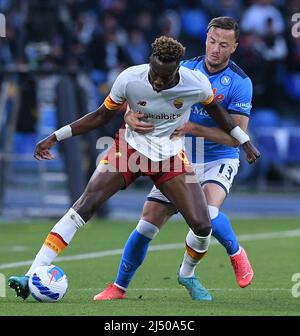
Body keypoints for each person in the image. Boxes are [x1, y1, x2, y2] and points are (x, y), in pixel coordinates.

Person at [8, 35, 259, 301]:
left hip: (170, 158)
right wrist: (55, 137)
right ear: (149, 62)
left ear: (178, 70)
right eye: (154, 75)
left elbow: (219, 114)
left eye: (164, 78)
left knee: (201, 224)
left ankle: (187, 274)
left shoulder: (195, 83)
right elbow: (99, 116)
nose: (158, 82)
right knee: (85, 204)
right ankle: (31, 273)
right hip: (129, 150)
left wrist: (245, 142)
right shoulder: (130, 78)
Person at [96, 17, 256, 301]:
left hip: (219, 158)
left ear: (234, 47)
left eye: (223, 44)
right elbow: (142, 95)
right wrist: (128, 115)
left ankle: (224, 257)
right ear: (205, 38)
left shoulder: (241, 83)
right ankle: (118, 287)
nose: (215, 49)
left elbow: (236, 137)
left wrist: (193, 127)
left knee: (207, 214)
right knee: (147, 223)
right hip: (178, 155)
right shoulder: (185, 69)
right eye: (211, 41)